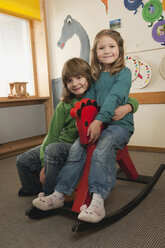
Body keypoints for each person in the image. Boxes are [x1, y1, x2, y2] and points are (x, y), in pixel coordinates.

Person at [32, 29, 136, 224]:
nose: (107, 51)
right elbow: (89, 101)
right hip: (100, 125)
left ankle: (97, 201)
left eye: (111, 46)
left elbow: (113, 98)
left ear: (120, 49)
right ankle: (59, 193)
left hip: (119, 126)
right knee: (77, 147)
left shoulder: (124, 73)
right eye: (101, 47)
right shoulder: (95, 77)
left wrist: (99, 120)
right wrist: (89, 119)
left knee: (103, 145)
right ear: (95, 52)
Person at [16, 57, 137, 198]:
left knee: (53, 152)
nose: (75, 84)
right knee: (23, 161)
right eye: (69, 80)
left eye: (79, 77)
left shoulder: (97, 96)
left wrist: (129, 107)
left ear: (88, 76)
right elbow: (52, 135)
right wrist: (44, 164)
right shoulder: (64, 105)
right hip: (60, 141)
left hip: (76, 145)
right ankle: (33, 189)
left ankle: (50, 190)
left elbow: (127, 99)